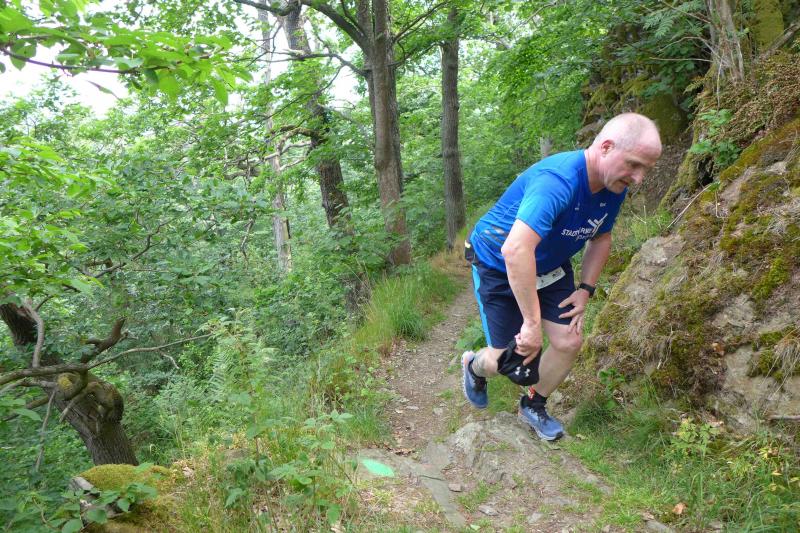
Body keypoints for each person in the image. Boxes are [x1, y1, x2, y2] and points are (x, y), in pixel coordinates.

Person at [462, 113, 662, 441]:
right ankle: (473, 366)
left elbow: (601, 237)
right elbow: (516, 251)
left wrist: (585, 289)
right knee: (505, 360)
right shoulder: (557, 182)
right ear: (606, 147)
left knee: (569, 342)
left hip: (550, 264)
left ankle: (533, 404)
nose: (639, 179)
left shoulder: (614, 185)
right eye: (634, 165)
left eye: (646, 170)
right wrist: (531, 325)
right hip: (498, 262)